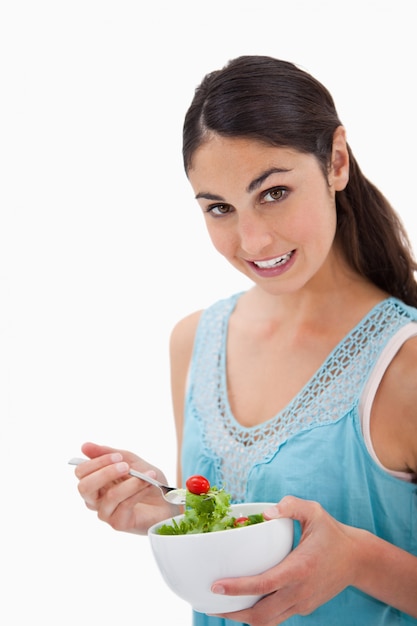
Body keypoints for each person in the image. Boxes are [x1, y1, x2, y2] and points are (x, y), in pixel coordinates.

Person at [72, 56, 417, 625]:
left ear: (335, 161)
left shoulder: (405, 366)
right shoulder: (193, 342)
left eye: (275, 192)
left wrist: (356, 560)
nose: (252, 239)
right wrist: (165, 509)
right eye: (219, 208)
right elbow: (231, 526)